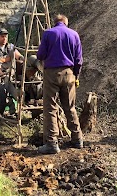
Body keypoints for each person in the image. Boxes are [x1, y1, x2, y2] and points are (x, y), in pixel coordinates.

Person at [37, 14, 83, 154]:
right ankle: (77, 139)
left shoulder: (48, 33)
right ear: (66, 23)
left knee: (50, 107)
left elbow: (40, 55)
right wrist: (76, 76)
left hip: (52, 74)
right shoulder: (74, 34)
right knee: (70, 107)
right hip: (69, 74)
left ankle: (52, 143)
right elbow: (79, 60)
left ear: (55, 23)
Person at [0, 28, 23, 114]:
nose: (4, 38)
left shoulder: (11, 47)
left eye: (6, 36)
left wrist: (23, 60)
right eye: (2, 36)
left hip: (11, 73)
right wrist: (2, 74)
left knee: (17, 83)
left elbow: (18, 56)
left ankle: (14, 102)